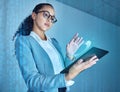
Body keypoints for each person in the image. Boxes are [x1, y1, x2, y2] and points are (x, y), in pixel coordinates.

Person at [14, 3, 99, 92]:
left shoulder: (54, 42)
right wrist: (67, 77)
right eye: (46, 14)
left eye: (52, 18)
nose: (49, 20)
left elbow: (62, 70)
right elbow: (32, 82)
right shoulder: (24, 41)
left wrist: (69, 55)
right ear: (34, 15)